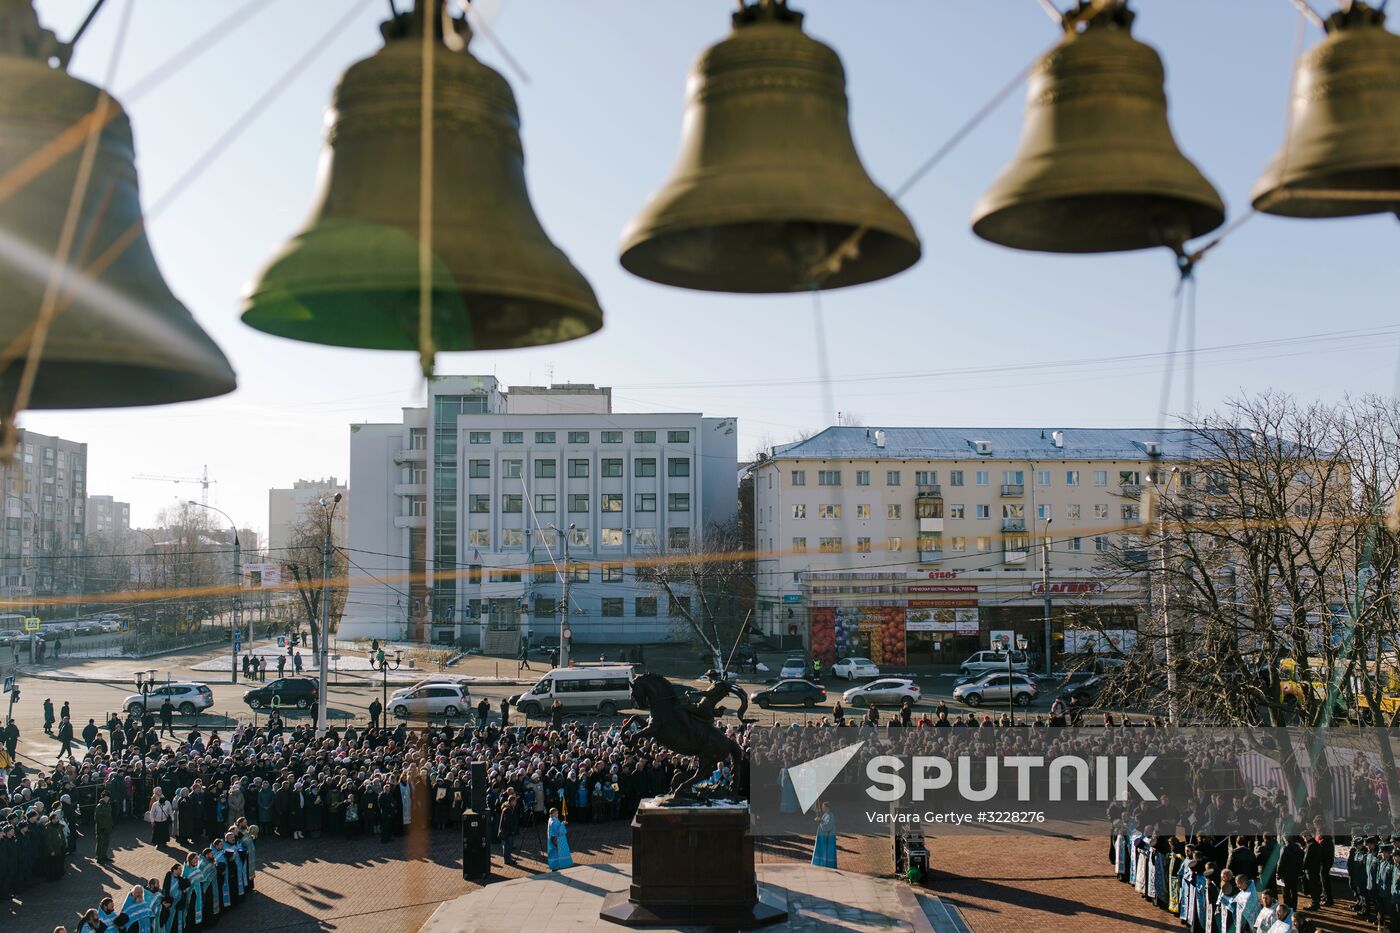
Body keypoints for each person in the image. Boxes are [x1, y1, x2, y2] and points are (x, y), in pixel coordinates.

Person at [812, 800, 837, 868]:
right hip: (823, 837)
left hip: (828, 838)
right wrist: (820, 820)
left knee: (827, 852)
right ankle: (821, 863)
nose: (822, 808)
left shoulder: (830, 816)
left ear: (827, 807)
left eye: (823, 807)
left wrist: (820, 820)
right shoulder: (826, 815)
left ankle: (827, 865)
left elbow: (828, 827)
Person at [498, 790, 519, 865]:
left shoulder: (510, 808)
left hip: (508, 830)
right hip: (508, 831)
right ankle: (507, 860)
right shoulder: (508, 810)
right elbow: (507, 822)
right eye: (515, 801)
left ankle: (508, 858)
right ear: (511, 801)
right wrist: (512, 830)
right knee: (508, 845)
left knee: (508, 845)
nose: (516, 802)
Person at [94, 791, 114, 862]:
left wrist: (111, 824)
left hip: (107, 827)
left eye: (108, 797)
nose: (107, 798)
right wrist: (102, 827)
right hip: (101, 828)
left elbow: (110, 816)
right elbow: (97, 818)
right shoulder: (99, 806)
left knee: (106, 842)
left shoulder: (108, 805)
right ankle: (99, 858)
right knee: (100, 843)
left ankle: (104, 855)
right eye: (106, 797)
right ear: (103, 797)